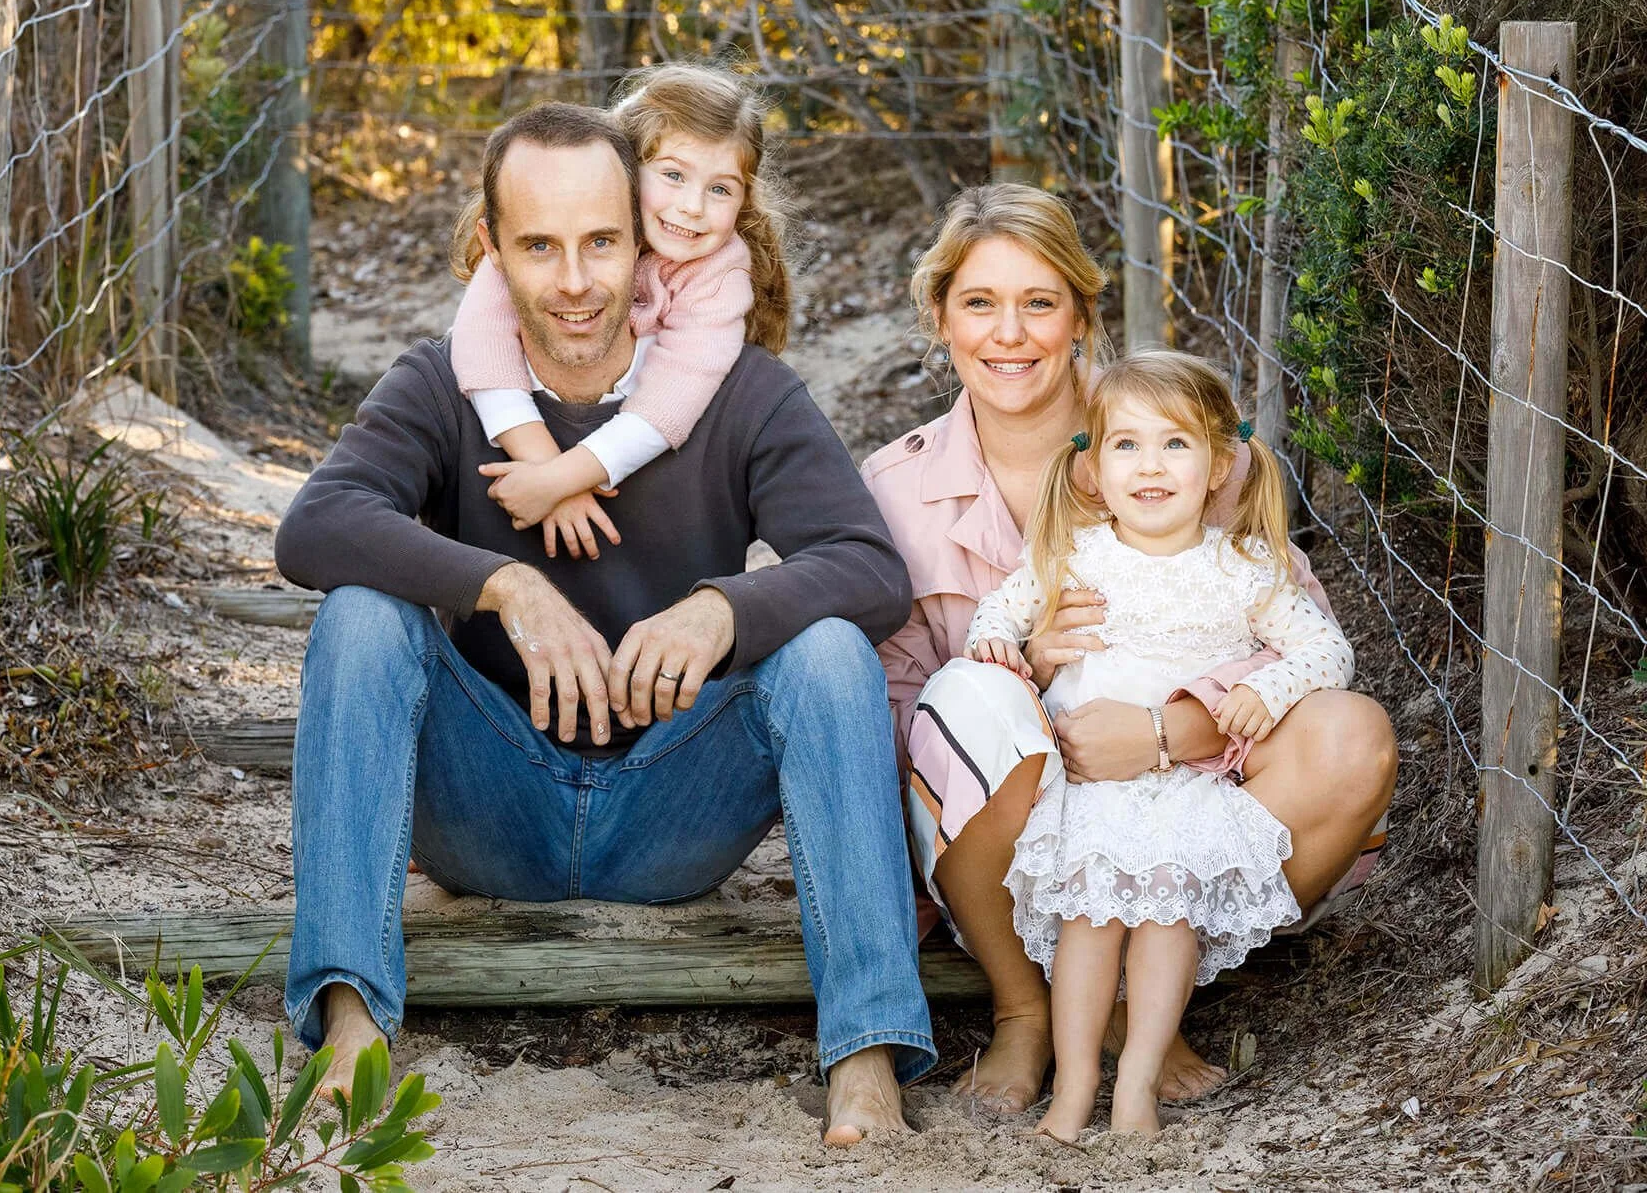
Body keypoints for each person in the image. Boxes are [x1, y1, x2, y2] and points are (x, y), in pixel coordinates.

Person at [274, 100, 936, 1146]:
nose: (575, 281)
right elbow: (313, 528)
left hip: (676, 803)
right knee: (361, 617)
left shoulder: (740, 393)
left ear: (643, 239)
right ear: (491, 248)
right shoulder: (440, 381)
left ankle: (864, 1054)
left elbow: (866, 568)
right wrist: (505, 583)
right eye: (538, 246)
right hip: (490, 802)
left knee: (829, 652)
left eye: (598, 243)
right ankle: (351, 1024)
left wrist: (723, 609)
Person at [861, 184, 1397, 1114]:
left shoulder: (1169, 437)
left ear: (1080, 314)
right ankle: (1026, 1006)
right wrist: (1028, 663)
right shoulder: (896, 487)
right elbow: (900, 714)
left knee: (1354, 734)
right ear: (939, 317)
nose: (1010, 333)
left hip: (1182, 802)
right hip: (1007, 831)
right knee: (968, 695)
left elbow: (1301, 641)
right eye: (980, 303)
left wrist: (1167, 731)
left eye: (1040, 302)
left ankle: (1145, 1003)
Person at [966, 351, 1353, 1139]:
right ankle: (1076, 1089)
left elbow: (1328, 653)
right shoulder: (1073, 553)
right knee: (1090, 923)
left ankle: (1137, 1083)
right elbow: (993, 616)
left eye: (1175, 445)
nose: (1151, 466)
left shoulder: (1245, 567)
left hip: (1184, 786)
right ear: (1093, 469)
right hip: (1087, 789)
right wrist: (1004, 649)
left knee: (1169, 916)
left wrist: (1265, 688)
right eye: (1127, 446)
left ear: (1218, 465)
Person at [447, 63, 792, 561]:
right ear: (626, 168)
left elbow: (671, 400)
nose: (692, 206)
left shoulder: (720, 275)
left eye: (720, 188)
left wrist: (561, 480)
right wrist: (544, 466)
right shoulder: (545, 242)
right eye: (673, 175)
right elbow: (479, 345)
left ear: (744, 200)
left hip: (659, 488)